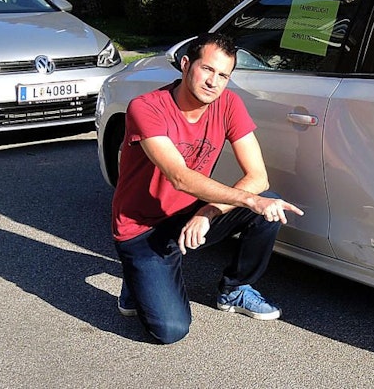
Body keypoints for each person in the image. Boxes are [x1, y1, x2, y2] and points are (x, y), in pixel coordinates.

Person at [111, 32, 303, 344]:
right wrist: (246, 200)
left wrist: (208, 212)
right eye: (207, 70)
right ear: (186, 65)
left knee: (269, 204)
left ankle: (235, 289)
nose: (214, 82)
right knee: (170, 331)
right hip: (142, 228)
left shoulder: (228, 104)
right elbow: (179, 177)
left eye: (224, 75)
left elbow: (258, 177)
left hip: (189, 214)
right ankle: (136, 279)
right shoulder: (146, 108)